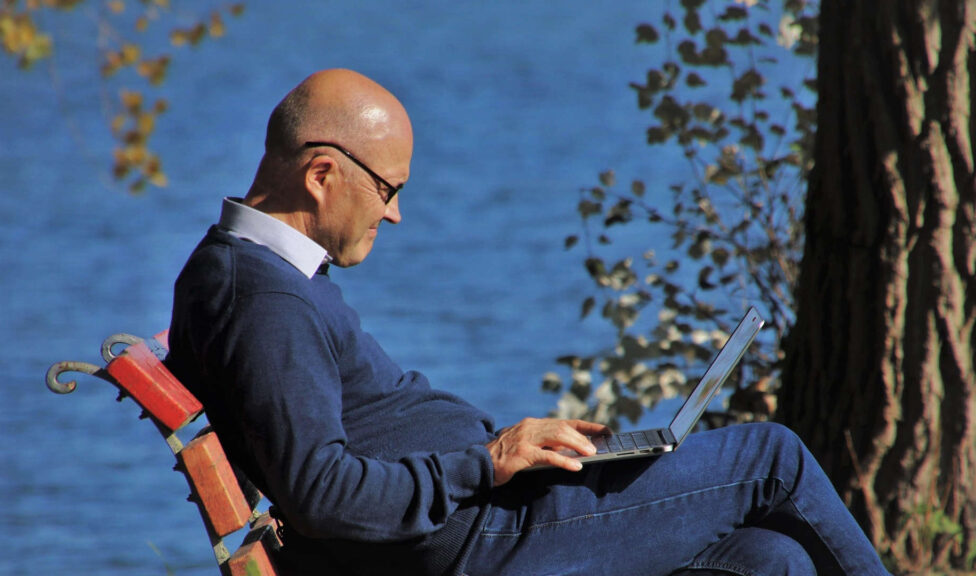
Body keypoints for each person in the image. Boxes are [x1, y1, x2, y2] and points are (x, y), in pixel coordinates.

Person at [167, 68, 890, 575]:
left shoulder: (255, 274)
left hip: (481, 525)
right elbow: (323, 492)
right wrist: (487, 461)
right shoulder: (262, 301)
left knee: (770, 561)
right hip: (480, 542)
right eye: (388, 189)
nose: (394, 213)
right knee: (773, 458)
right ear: (322, 174)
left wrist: (506, 454)